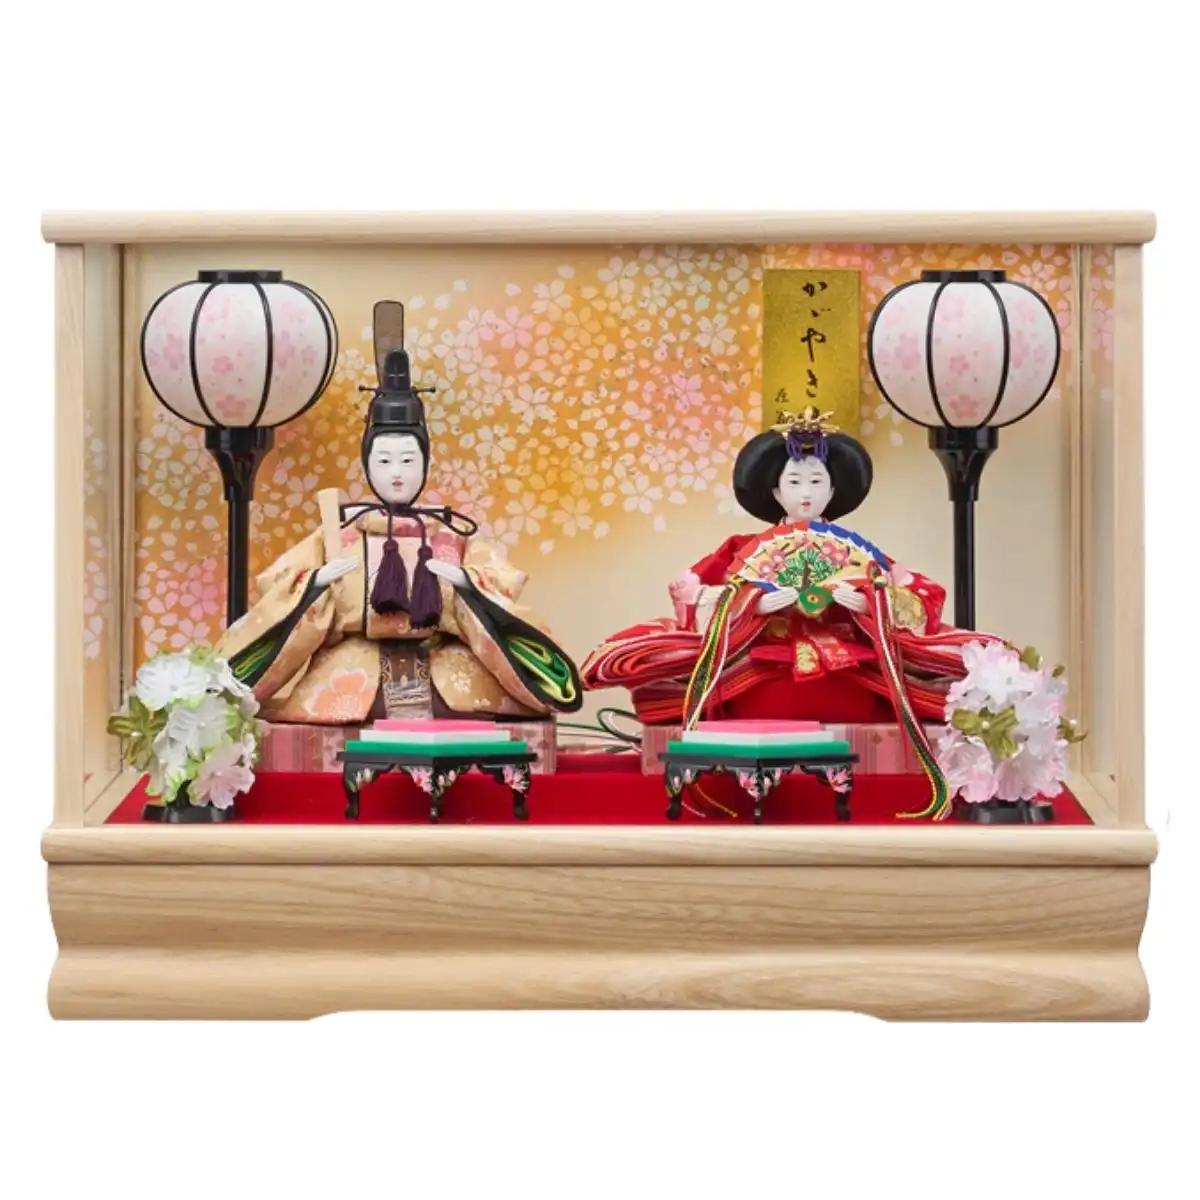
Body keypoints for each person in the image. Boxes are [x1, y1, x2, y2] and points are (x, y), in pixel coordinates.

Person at [217, 303, 581, 725]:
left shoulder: (451, 534)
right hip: (351, 678)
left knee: (473, 723)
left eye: (408, 460)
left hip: (447, 677)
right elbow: (279, 587)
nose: (396, 473)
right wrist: (316, 585)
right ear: (367, 464)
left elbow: (501, 586)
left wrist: (467, 586)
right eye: (384, 460)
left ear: (425, 463)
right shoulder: (339, 532)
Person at [581, 407, 1001, 729]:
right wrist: (752, 605)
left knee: (911, 677)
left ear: (832, 491)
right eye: (794, 482)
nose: (805, 494)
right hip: (764, 669)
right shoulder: (741, 550)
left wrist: (869, 602)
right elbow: (689, 594)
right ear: (776, 491)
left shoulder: (863, 553)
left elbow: (923, 596)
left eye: (816, 482)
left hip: (849, 671)